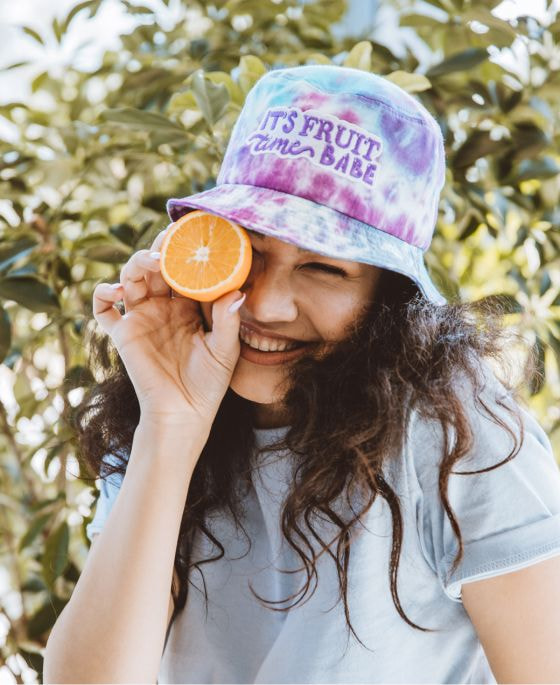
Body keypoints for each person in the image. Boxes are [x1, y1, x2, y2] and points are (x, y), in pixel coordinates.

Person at [44, 65, 560, 684]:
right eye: (251, 253)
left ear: (386, 299)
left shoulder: (461, 436)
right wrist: (171, 427)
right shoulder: (160, 417)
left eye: (323, 268)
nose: (264, 305)